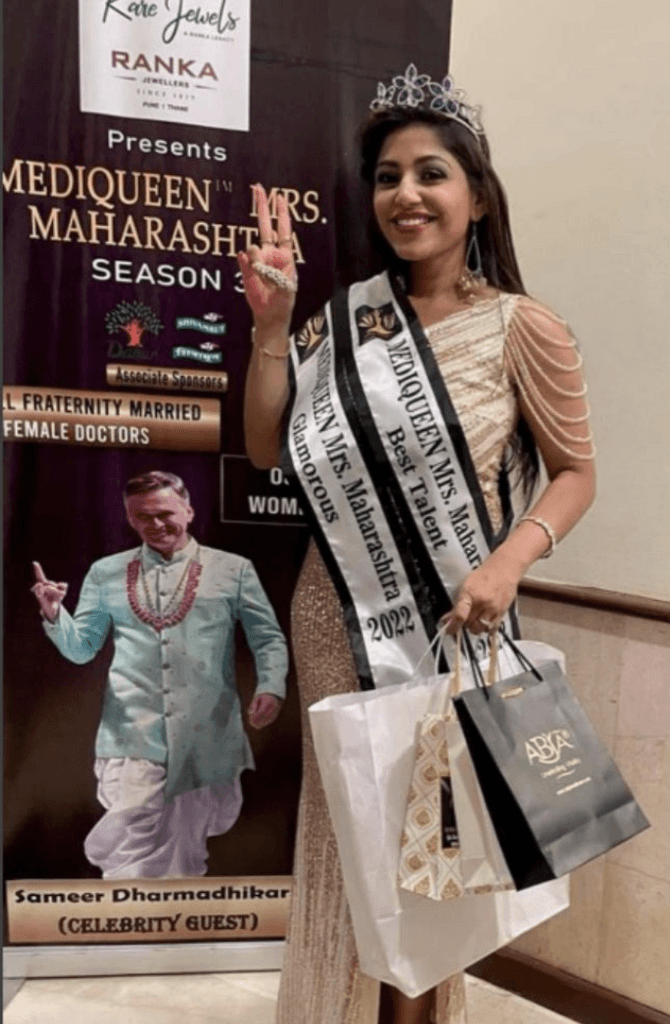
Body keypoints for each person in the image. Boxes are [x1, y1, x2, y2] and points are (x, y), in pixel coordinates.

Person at [238, 65, 595, 1024]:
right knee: (349, 835)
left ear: (478, 195)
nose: (407, 195)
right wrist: (273, 329)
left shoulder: (526, 327)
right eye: (389, 176)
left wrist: (508, 563)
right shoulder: (342, 324)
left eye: (432, 173)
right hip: (335, 615)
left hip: (461, 612)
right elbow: (267, 448)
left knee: (437, 843)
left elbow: (575, 473)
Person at [31, 470, 288, 879]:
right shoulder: (106, 572)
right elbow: (82, 649)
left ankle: (176, 916)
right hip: (132, 733)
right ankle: (127, 913)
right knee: (130, 848)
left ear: (188, 510)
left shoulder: (233, 569)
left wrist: (271, 687)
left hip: (206, 733)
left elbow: (268, 637)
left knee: (187, 852)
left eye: (164, 513)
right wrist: (53, 612)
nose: (155, 524)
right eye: (142, 516)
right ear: (129, 518)